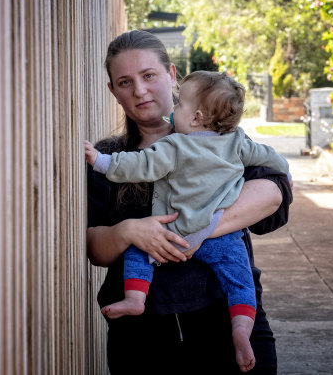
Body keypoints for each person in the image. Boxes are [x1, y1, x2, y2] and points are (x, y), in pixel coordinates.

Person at [86, 30, 292, 375]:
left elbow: (273, 194)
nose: (139, 90)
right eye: (125, 82)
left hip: (225, 316)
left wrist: (193, 233)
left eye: (149, 75)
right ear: (113, 91)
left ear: (171, 75)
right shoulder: (108, 158)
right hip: (143, 337)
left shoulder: (223, 141)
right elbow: (94, 248)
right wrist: (130, 232)